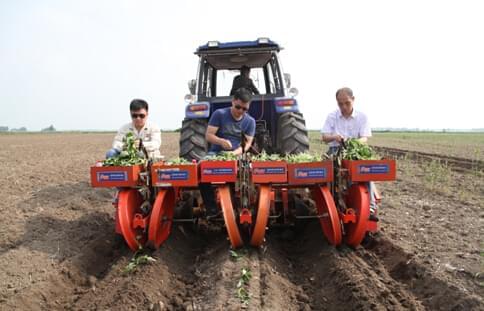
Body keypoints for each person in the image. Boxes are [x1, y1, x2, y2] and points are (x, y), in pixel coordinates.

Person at [321, 87, 378, 221]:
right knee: (329, 173)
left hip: (353, 150)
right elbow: (324, 136)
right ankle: (330, 205)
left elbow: (364, 138)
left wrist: (353, 142)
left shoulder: (362, 117)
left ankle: (370, 207)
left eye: (347, 103)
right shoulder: (332, 116)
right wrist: (335, 137)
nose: (344, 106)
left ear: (353, 100)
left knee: (365, 171)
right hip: (335, 150)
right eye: (340, 104)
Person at [201, 88, 256, 217]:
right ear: (233, 102)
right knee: (202, 170)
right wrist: (221, 141)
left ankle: (239, 206)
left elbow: (247, 144)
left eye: (244, 109)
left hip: (236, 154)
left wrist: (235, 153)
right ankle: (212, 208)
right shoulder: (219, 114)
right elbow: (209, 135)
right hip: (216, 153)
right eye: (238, 107)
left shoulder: (250, 121)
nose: (240, 111)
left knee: (245, 172)